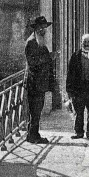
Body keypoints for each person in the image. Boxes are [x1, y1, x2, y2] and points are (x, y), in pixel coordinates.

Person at [25, 16, 55, 144]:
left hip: (40, 83)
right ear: (35, 28)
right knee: (35, 110)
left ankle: (34, 134)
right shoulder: (31, 42)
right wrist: (50, 58)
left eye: (44, 28)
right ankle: (33, 136)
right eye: (41, 28)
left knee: (37, 109)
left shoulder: (40, 41)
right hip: (34, 83)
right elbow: (32, 62)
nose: (43, 30)